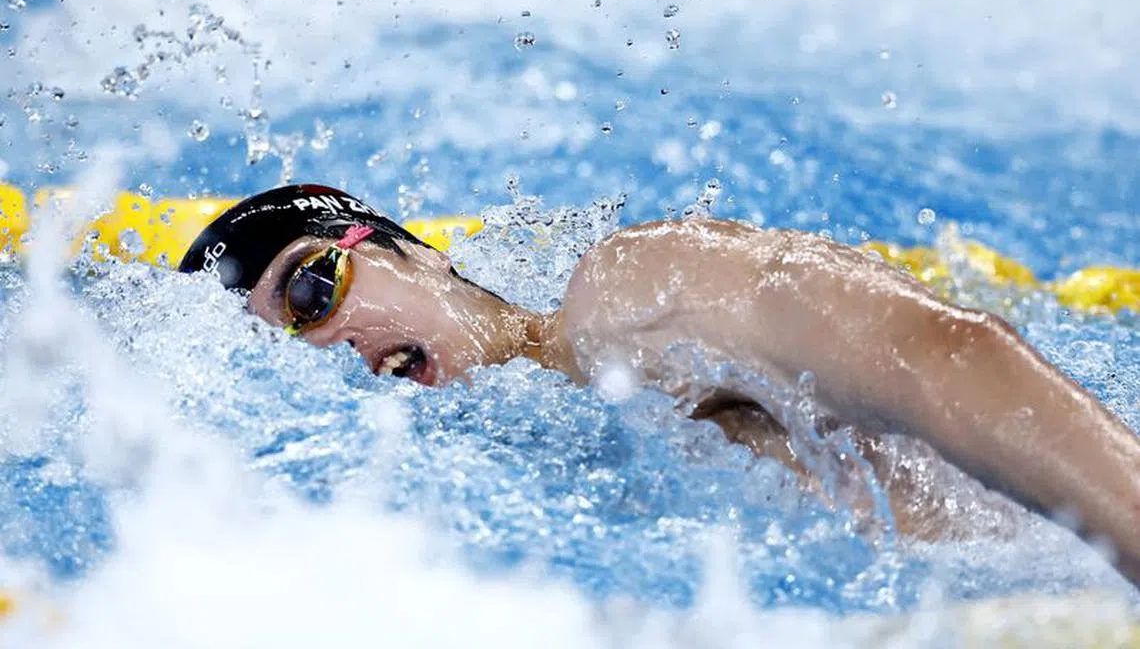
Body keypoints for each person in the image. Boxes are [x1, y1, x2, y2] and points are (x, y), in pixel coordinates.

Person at [179, 183, 1140, 586]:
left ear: (418, 254)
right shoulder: (489, 521)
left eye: (313, 287)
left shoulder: (629, 297)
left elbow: (941, 352)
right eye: (285, 349)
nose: (329, 342)